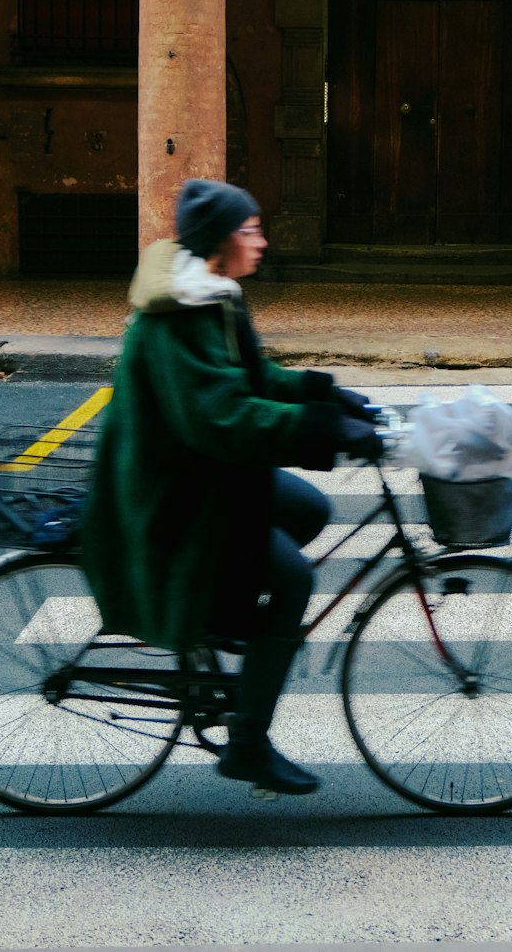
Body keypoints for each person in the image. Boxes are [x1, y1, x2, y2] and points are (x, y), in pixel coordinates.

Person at [81, 178, 382, 796]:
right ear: (220, 241)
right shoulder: (176, 320)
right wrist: (325, 430)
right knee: (295, 578)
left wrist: (323, 395)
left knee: (309, 507)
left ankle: (226, 614)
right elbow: (225, 417)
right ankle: (247, 744)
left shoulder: (209, 293)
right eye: (251, 230)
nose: (263, 241)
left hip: (201, 472)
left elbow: (252, 376)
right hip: (171, 493)